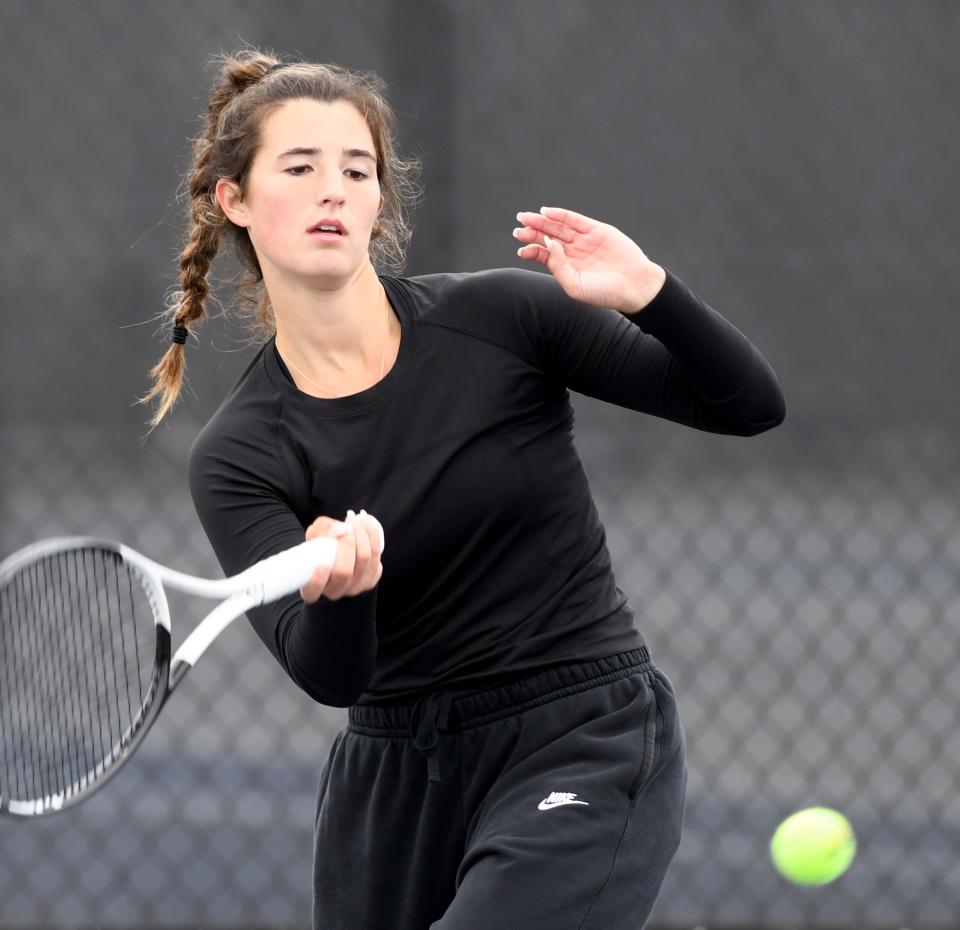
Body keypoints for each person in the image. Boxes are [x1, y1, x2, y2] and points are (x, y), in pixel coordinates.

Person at [141, 49, 785, 930]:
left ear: (378, 202)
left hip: (580, 736)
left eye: (356, 169)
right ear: (236, 200)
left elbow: (747, 406)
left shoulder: (504, 320)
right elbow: (330, 676)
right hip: (392, 787)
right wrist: (343, 593)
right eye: (300, 168)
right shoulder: (239, 453)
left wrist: (651, 294)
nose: (333, 189)